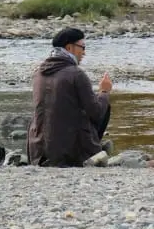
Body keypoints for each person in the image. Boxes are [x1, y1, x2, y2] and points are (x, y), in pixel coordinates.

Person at [27, 28, 113, 167]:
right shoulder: (76, 74)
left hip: (37, 151)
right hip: (68, 154)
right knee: (104, 105)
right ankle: (93, 151)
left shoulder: (39, 73)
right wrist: (104, 91)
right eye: (82, 47)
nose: (84, 52)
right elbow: (96, 113)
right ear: (69, 47)